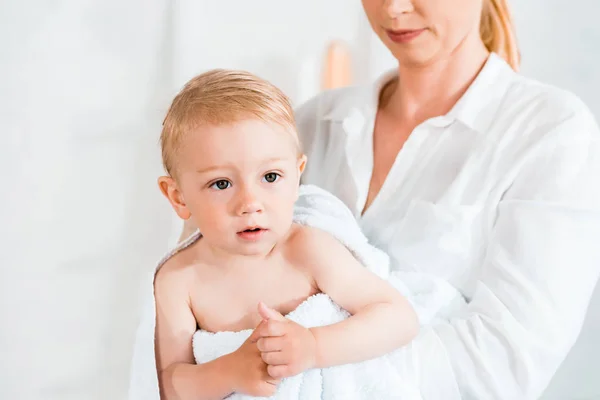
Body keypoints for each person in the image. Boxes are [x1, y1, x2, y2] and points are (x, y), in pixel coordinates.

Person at [178, 0, 600, 398]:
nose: (393, 9)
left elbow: (505, 361)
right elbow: (191, 298)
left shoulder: (550, 133)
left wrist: (315, 355)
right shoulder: (309, 126)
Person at [154, 69, 419, 400]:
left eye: (270, 176)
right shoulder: (179, 280)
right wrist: (229, 371)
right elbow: (170, 384)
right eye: (221, 183)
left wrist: (313, 347)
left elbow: (398, 318)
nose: (250, 203)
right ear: (179, 197)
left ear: (297, 177)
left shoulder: (306, 250)